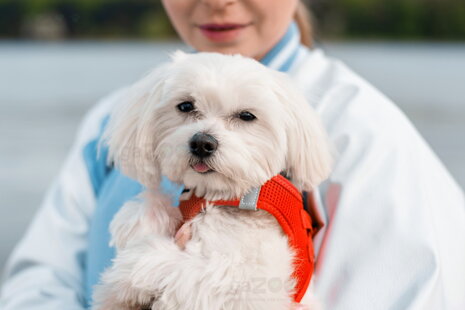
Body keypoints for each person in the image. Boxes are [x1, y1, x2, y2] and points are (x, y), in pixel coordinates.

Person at [1, 0, 464, 309]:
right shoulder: (110, 119)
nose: (218, 0)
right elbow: (38, 281)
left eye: (244, 118)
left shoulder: (365, 133)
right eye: (186, 109)